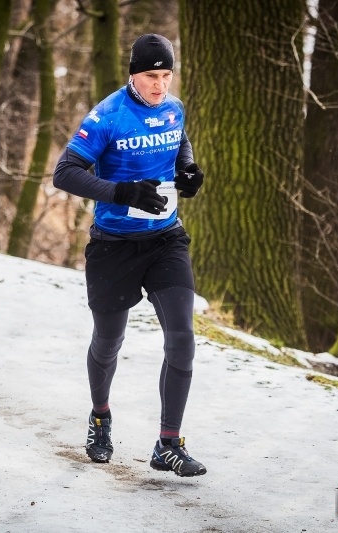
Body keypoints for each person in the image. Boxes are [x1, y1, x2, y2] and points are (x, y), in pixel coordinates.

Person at [53, 34, 207, 477]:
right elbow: (65, 173)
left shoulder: (174, 108)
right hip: (113, 245)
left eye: (166, 75)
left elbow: (179, 142)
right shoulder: (108, 116)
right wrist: (122, 192)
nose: (160, 85)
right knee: (108, 341)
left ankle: (168, 443)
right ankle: (100, 418)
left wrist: (188, 171)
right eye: (151, 76)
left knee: (182, 338)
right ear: (133, 75)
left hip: (165, 240)